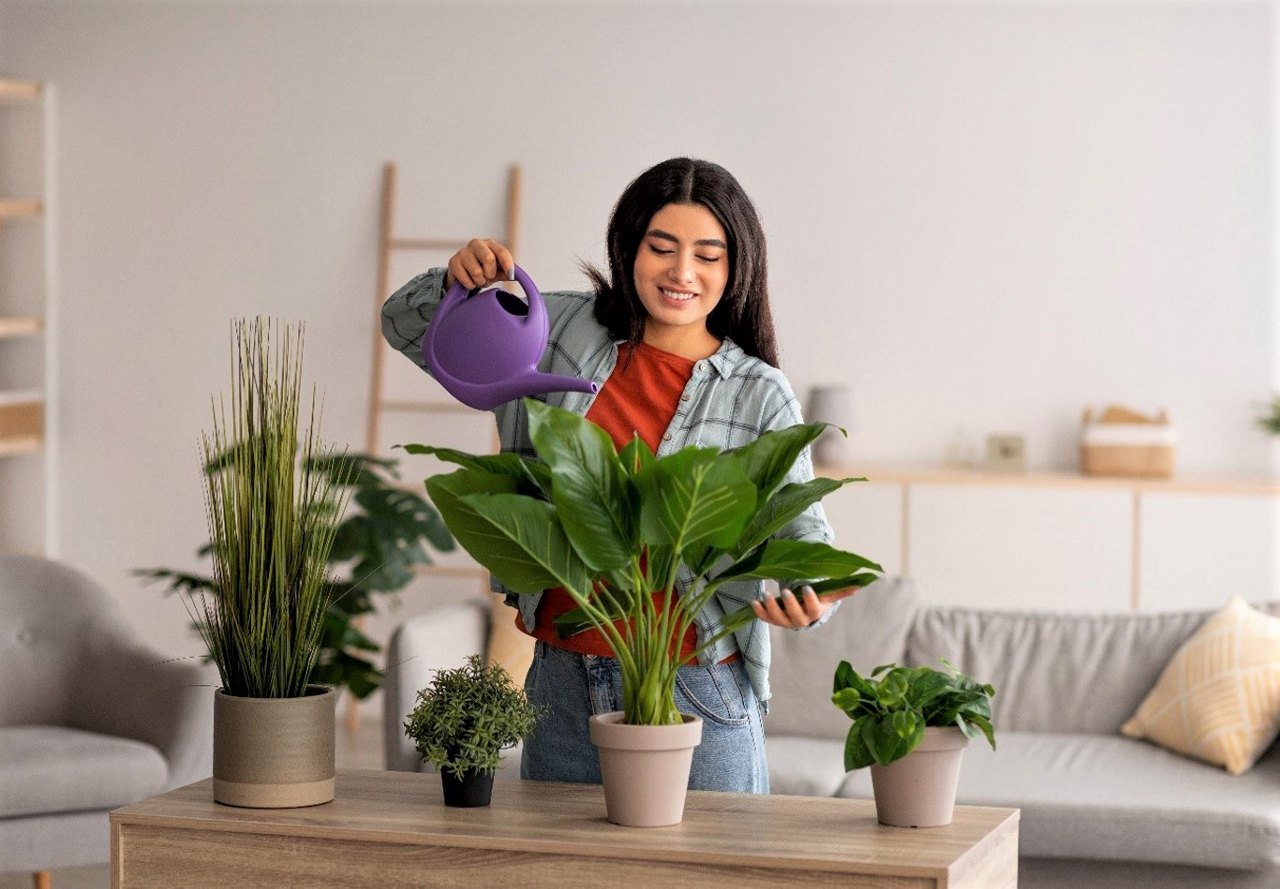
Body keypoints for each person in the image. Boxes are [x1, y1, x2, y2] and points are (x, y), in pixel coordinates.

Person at [381, 157, 856, 794]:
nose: (682, 272)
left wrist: (810, 598)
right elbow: (403, 324)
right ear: (628, 247)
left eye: (708, 255)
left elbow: (808, 544)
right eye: (662, 247)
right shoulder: (564, 330)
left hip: (695, 687)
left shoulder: (758, 393)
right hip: (561, 679)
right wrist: (455, 285)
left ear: (737, 267)